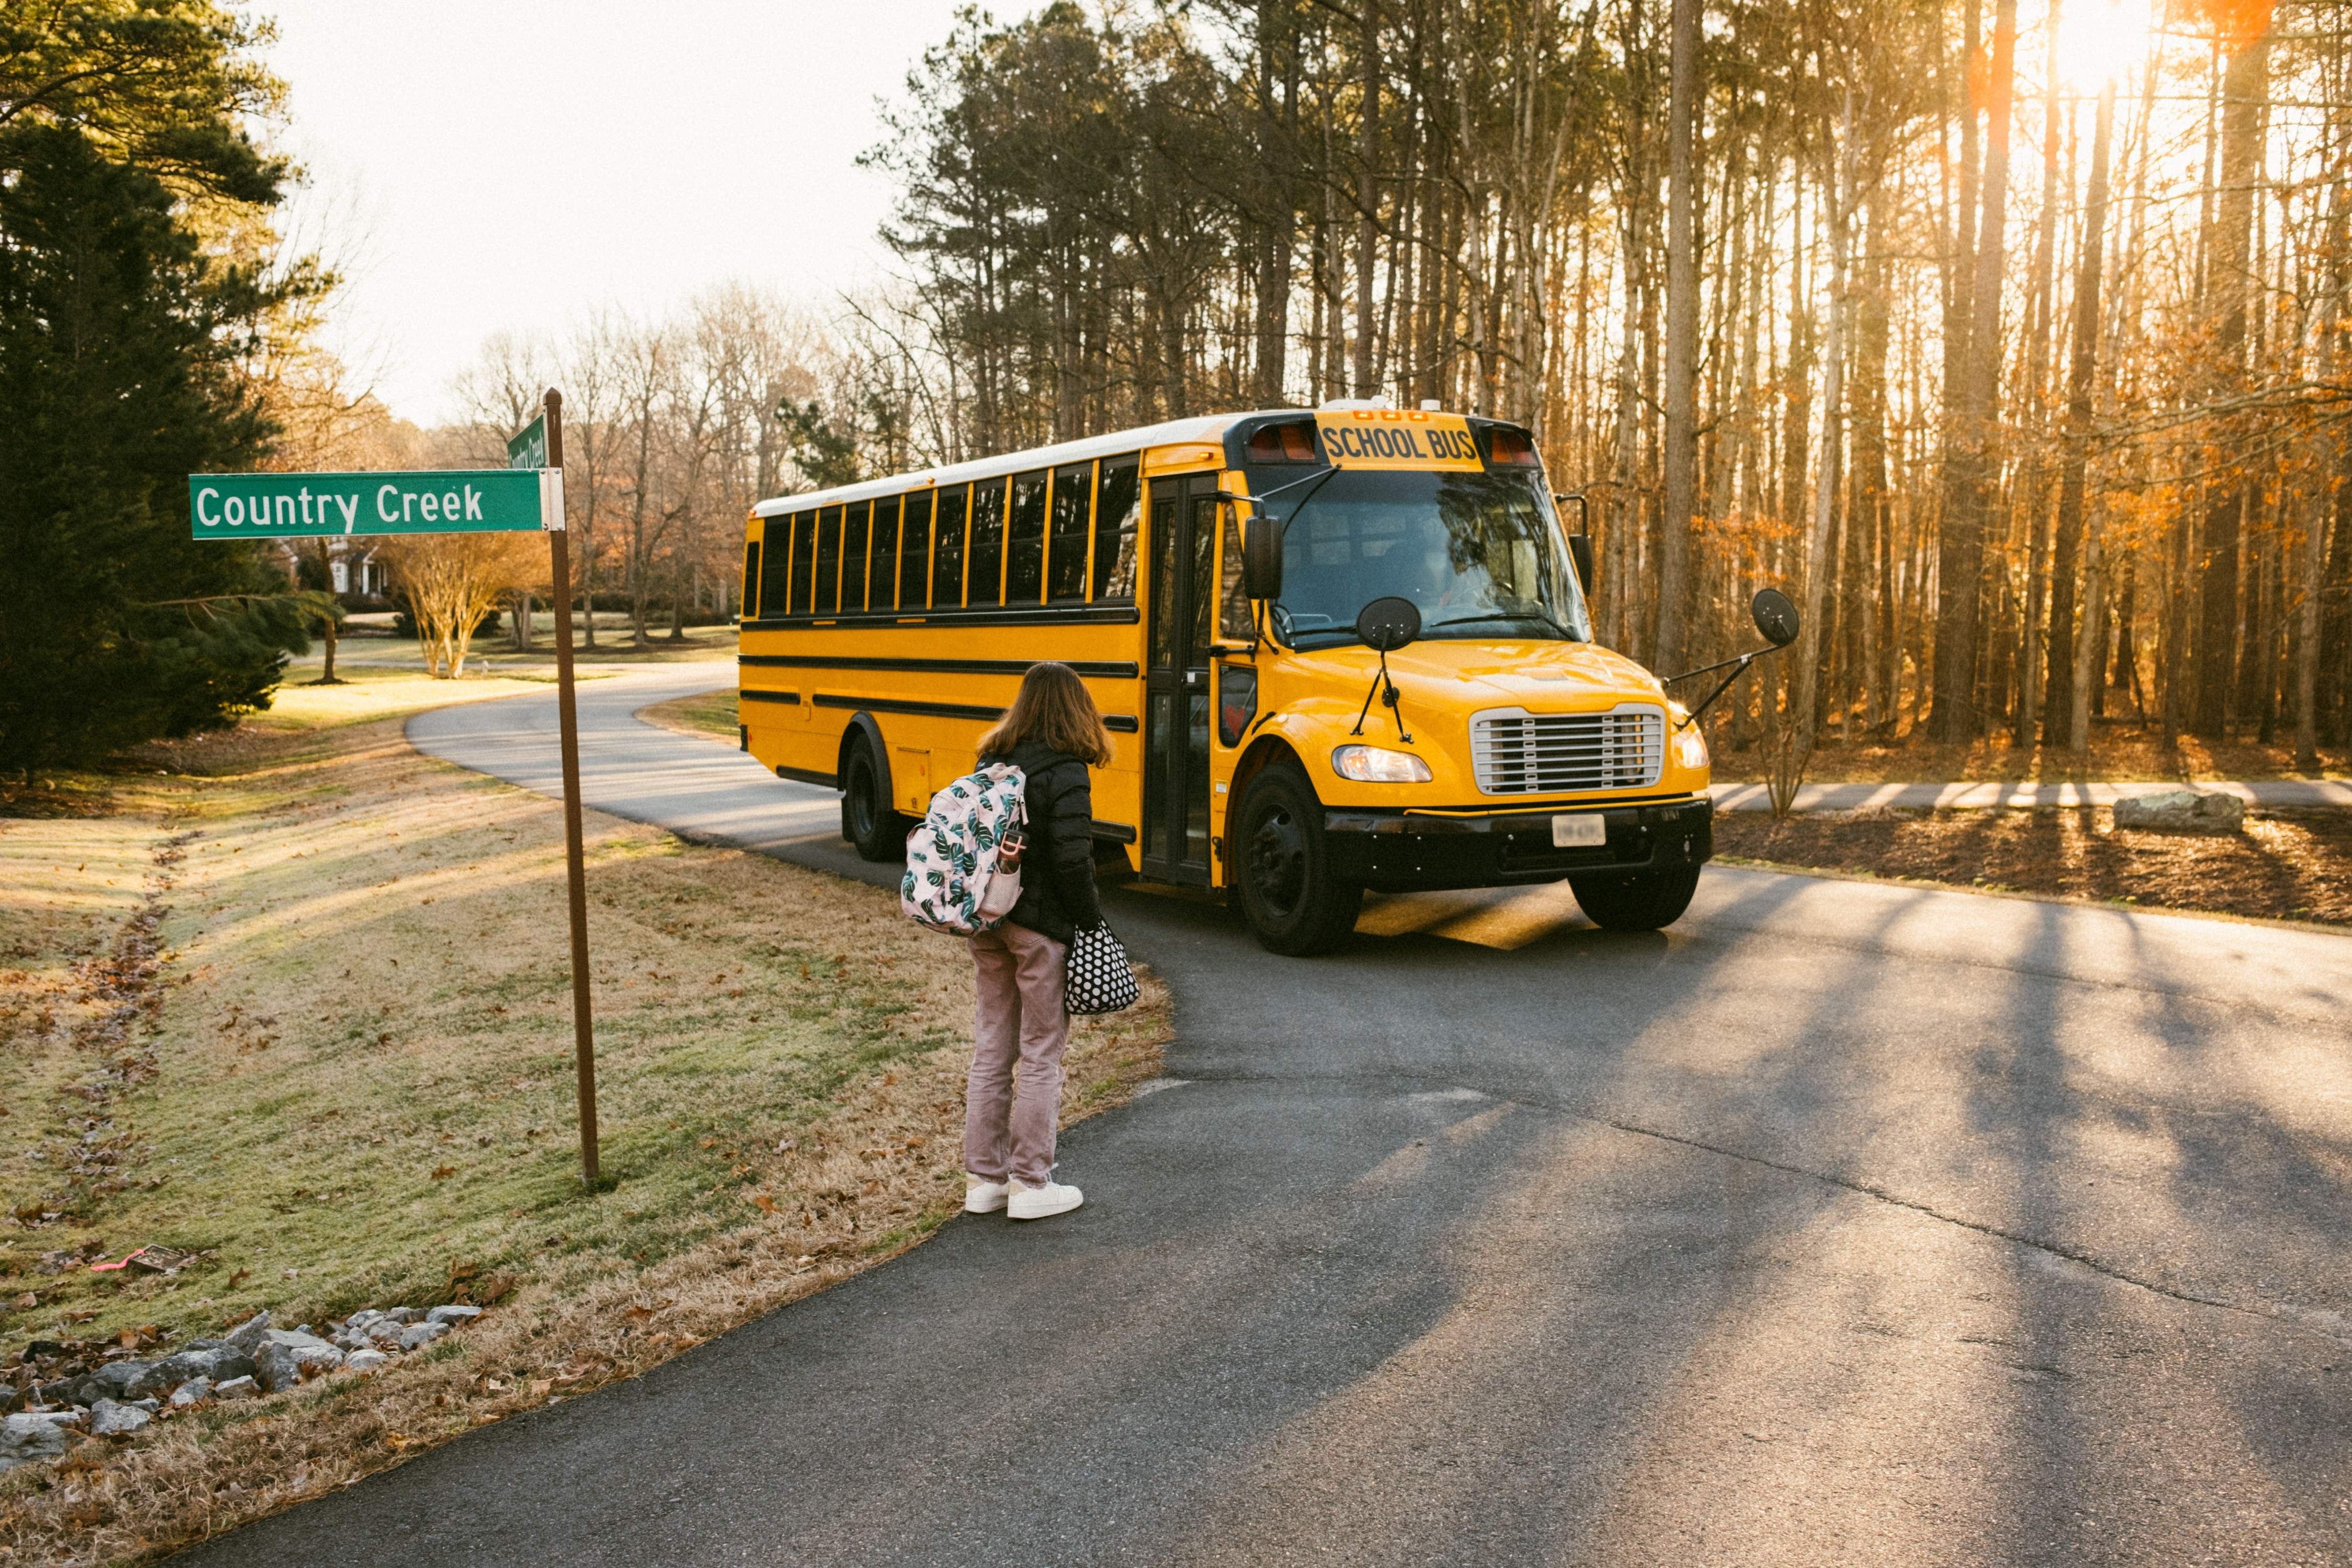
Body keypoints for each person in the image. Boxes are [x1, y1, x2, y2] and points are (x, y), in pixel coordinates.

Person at [962, 661, 1111, 1221]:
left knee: (993, 1047)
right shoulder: (1067, 769)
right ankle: (1030, 1182)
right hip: (1039, 924)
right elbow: (1073, 860)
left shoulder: (991, 761)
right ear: (1077, 708)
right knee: (1042, 1052)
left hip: (987, 919)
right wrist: (1089, 920)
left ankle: (984, 1179)